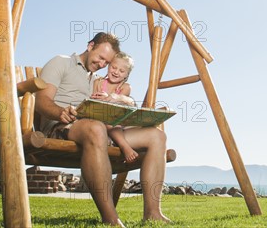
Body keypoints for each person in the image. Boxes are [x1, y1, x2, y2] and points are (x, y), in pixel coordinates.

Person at [35, 33, 170, 227]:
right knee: (97, 128)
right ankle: (111, 219)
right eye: (100, 58)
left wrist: (121, 100)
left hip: (99, 128)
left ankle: (153, 213)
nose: (101, 64)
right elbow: (41, 101)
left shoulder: (97, 80)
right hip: (61, 126)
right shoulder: (62, 62)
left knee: (157, 136)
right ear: (90, 46)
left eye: (106, 62)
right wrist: (59, 112)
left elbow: (123, 96)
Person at [91, 52, 139, 163]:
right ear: (108, 66)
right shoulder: (98, 82)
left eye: (121, 71)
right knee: (107, 119)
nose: (116, 72)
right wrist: (98, 98)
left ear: (127, 75)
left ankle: (124, 146)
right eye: (114, 67)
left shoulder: (125, 87)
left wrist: (112, 97)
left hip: (116, 119)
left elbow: (121, 104)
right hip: (99, 117)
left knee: (112, 120)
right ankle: (125, 146)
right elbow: (93, 100)